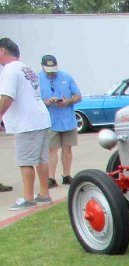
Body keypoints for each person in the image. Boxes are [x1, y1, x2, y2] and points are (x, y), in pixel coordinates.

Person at [0, 37, 52, 210]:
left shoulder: (9, 69)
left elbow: (7, 97)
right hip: (41, 118)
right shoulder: (25, 68)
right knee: (41, 159)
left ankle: (28, 198)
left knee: (25, 161)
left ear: (3, 51)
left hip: (27, 122)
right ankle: (44, 194)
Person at [37, 54, 81, 188]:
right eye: (49, 71)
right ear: (42, 67)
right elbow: (33, 100)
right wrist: (46, 102)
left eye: (53, 70)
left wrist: (68, 101)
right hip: (50, 120)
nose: (51, 73)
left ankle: (66, 175)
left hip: (67, 119)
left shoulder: (66, 77)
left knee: (67, 148)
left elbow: (78, 96)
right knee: (52, 149)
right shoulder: (37, 80)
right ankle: (51, 178)